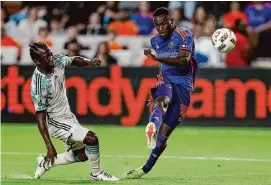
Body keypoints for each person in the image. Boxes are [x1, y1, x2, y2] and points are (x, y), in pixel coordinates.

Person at [29, 42, 119, 181]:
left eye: (50, 54)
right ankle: (97, 173)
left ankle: (45, 162)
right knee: (91, 138)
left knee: (82, 155)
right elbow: (40, 118)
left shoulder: (57, 60)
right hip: (55, 122)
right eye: (46, 57)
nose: (51, 58)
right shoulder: (39, 84)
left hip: (67, 116)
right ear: (37, 61)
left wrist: (89, 61)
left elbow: (74, 60)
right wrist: (49, 145)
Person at [125, 7, 197, 178]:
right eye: (157, 25)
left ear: (171, 21)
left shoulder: (184, 34)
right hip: (165, 80)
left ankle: (145, 168)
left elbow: (184, 61)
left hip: (184, 87)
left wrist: (157, 58)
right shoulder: (155, 41)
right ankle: (152, 126)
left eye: (164, 23)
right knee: (162, 97)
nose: (161, 27)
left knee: (163, 136)